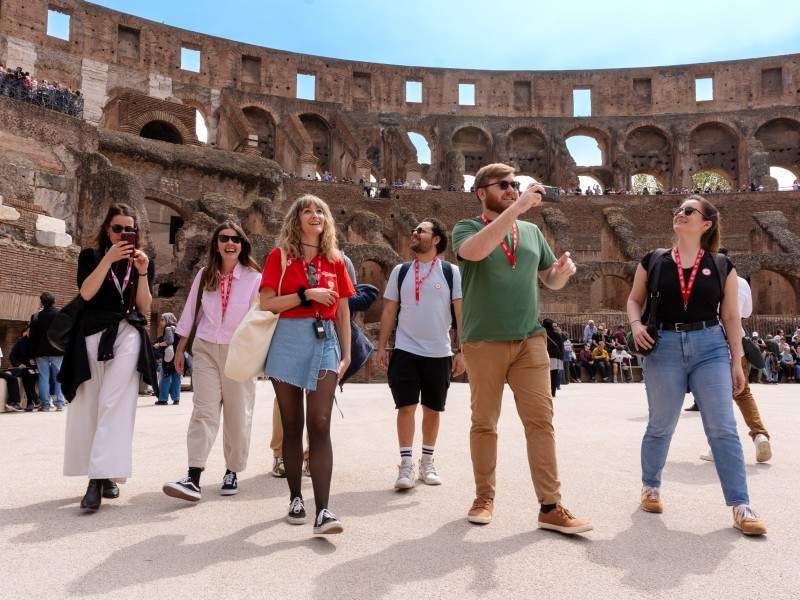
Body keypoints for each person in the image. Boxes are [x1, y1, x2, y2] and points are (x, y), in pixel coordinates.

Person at [452, 163, 592, 535]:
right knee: (485, 423)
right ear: (482, 192)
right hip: (483, 339)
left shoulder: (531, 231)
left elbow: (550, 280)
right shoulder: (466, 228)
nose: (513, 190)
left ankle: (550, 505)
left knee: (541, 422)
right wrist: (517, 209)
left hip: (529, 338)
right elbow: (476, 253)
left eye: (516, 185)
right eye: (505, 186)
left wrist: (563, 272)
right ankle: (484, 496)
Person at [627, 195, 766, 535]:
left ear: (706, 224)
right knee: (661, 423)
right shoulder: (654, 259)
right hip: (665, 347)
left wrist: (737, 361)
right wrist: (636, 324)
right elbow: (634, 300)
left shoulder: (721, 265)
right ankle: (651, 485)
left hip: (710, 347)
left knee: (722, 426)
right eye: (678, 209)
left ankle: (740, 504)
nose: (680, 213)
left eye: (689, 211)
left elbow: (731, 316)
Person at [259, 194, 354, 536]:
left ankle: (324, 510)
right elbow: (267, 303)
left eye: (320, 211)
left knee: (320, 421)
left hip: (325, 339)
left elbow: (343, 311)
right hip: (287, 337)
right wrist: (305, 295)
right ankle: (296, 497)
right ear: (296, 220)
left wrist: (346, 353)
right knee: (292, 422)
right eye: (307, 211)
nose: (314, 215)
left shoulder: (336, 260)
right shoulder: (279, 256)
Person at [60, 203, 156, 512]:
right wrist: (108, 260)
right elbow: (86, 293)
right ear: (107, 229)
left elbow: (145, 308)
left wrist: (142, 274)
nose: (124, 234)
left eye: (130, 230)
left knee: (115, 402)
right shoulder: (90, 256)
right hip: (90, 332)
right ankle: (106, 476)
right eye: (118, 229)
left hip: (127, 332)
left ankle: (96, 479)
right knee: (90, 404)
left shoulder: (142, 262)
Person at [163, 221, 262, 502]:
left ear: (242, 245)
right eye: (224, 239)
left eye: (235, 239)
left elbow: (261, 318)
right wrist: (181, 348)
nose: (230, 244)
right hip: (206, 347)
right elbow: (191, 312)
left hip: (238, 352)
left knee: (237, 414)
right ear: (216, 244)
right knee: (203, 411)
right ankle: (193, 476)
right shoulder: (205, 275)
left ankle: (232, 470)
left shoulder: (255, 278)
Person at [376, 218, 464, 490]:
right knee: (405, 407)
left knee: (433, 409)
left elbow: (460, 313)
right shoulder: (400, 271)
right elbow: (390, 310)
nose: (414, 233)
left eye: (421, 231)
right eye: (414, 230)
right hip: (405, 348)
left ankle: (427, 461)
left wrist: (462, 350)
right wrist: (381, 346)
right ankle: (405, 464)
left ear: (436, 239)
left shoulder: (451, 272)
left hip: (439, 351)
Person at [699, 249, 772, 463]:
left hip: (711, 342)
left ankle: (717, 446)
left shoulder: (704, 280)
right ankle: (759, 435)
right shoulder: (741, 281)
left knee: (714, 396)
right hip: (737, 341)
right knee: (743, 392)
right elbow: (746, 313)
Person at [28, 292, 66, 411]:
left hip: (40, 352)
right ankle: (60, 403)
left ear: (41, 302)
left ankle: (45, 405)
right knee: (59, 377)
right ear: (54, 301)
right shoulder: (60, 314)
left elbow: (32, 338)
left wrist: (32, 354)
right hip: (57, 351)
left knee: (43, 377)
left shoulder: (36, 316)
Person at [153, 312, 181, 405]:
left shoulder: (168, 328)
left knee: (165, 377)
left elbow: (169, 341)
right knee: (176, 377)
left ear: (167, 320)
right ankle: (176, 398)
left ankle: (163, 399)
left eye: (162, 319)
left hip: (169, 357)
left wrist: (159, 344)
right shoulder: (177, 328)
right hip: (176, 355)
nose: (161, 322)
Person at [542, 319, 563, 397]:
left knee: (544, 375)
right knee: (554, 375)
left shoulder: (542, 334)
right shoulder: (557, 334)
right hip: (554, 357)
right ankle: (553, 392)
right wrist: (561, 357)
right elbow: (561, 346)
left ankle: (545, 392)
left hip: (544, 356)